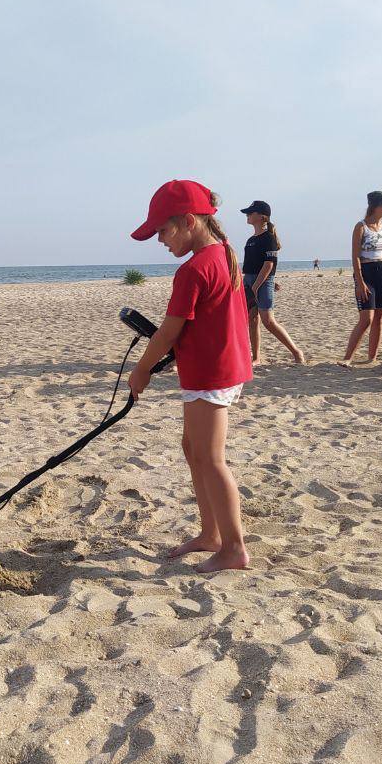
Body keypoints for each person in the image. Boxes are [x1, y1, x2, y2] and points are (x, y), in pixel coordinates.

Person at [128, 180, 253, 572]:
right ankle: (210, 533)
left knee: (211, 458)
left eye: (163, 231)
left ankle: (233, 547)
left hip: (212, 374)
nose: (160, 240)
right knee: (192, 449)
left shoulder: (195, 269)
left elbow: (168, 331)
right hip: (217, 367)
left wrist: (141, 370)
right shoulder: (224, 254)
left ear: (188, 221)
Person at [340, 190, 382, 366]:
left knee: (380, 316)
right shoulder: (361, 226)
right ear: (374, 206)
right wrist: (359, 282)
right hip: (366, 271)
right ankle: (347, 357)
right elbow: (355, 256)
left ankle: (371, 357)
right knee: (366, 318)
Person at [240, 200, 305, 364]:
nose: (248, 215)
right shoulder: (250, 240)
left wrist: (257, 286)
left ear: (262, 217)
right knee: (252, 320)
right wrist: (248, 284)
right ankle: (256, 358)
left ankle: (296, 352)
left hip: (261, 282)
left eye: (251, 212)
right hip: (249, 280)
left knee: (268, 321)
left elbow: (269, 264)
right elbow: (251, 265)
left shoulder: (269, 238)